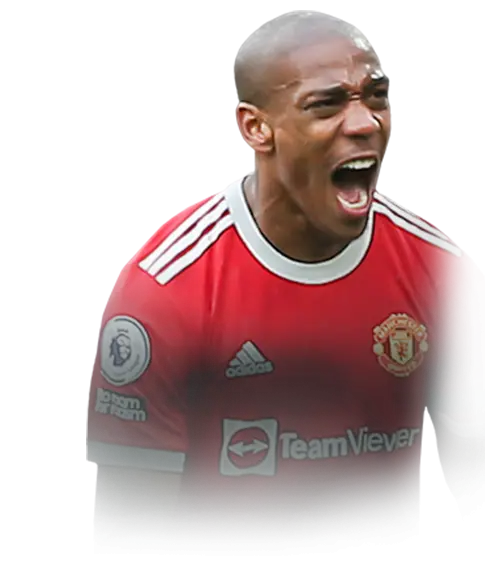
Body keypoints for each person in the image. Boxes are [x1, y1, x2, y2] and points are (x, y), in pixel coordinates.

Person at [87, 11, 485, 559]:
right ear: (257, 128)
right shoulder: (165, 291)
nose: (365, 123)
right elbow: (129, 539)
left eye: (376, 96)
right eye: (326, 104)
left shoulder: (444, 271)